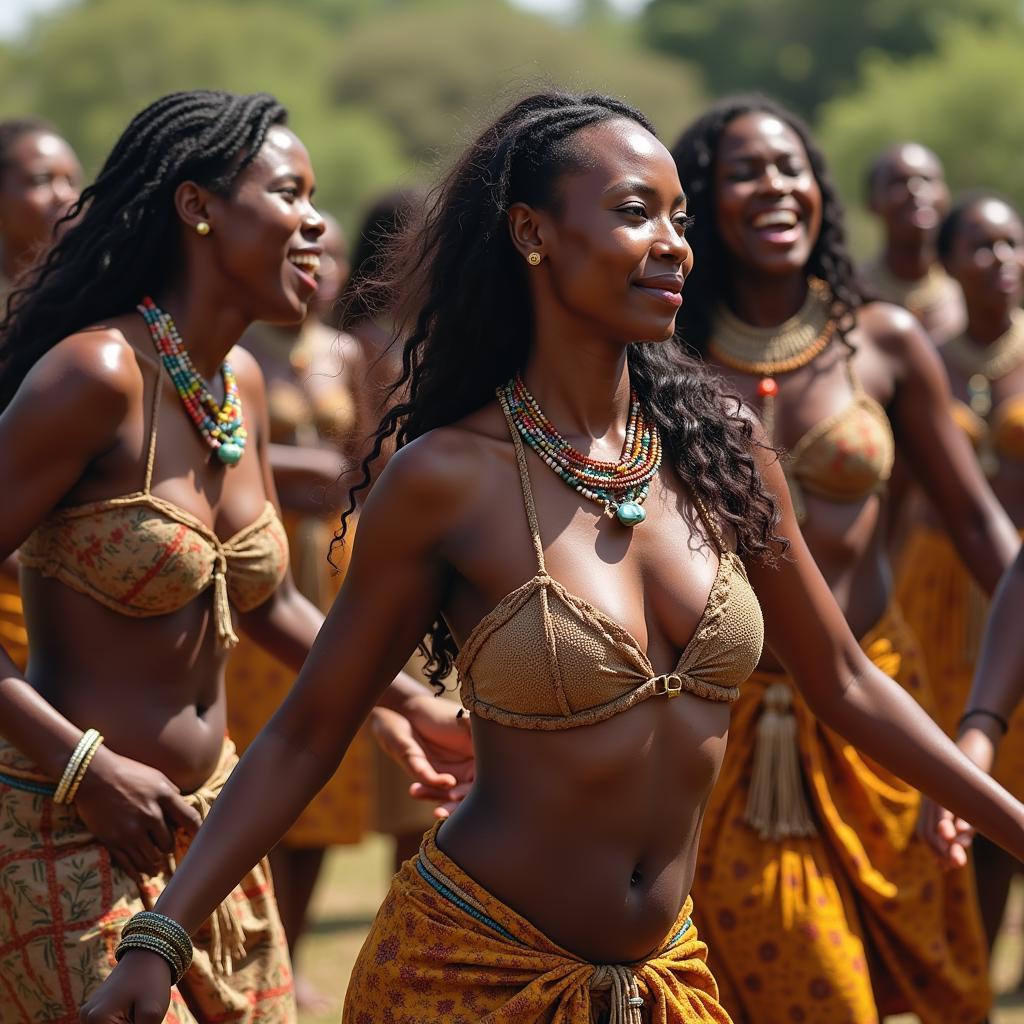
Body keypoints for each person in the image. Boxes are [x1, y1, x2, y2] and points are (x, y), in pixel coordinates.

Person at [80, 90, 1024, 1024]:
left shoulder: (719, 450)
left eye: (678, 217)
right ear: (531, 232)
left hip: (667, 981)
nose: (675, 243)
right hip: (471, 973)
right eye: (632, 212)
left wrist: (1009, 820)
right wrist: (162, 936)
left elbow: (847, 681)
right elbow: (303, 734)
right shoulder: (446, 478)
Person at [0, 89, 469, 1023]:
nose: (317, 222)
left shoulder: (236, 383)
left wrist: (409, 701)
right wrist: (81, 765)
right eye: (290, 192)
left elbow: (262, 599)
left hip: (208, 837)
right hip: (67, 833)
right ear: (198, 205)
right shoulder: (95, 377)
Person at [672, 95, 1019, 1024]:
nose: (775, 186)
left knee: (947, 990)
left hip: (882, 708)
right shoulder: (659, 358)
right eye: (744, 170)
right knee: (811, 992)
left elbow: (987, 533)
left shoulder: (885, 343)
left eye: (790, 167)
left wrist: (981, 721)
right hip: (730, 727)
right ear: (699, 200)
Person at [226, 211, 371, 1013]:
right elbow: (231, 451)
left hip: (332, 561)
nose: (323, 267)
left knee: (329, 780)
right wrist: (296, 463)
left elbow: (365, 458)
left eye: (337, 254)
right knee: (264, 750)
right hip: (263, 560)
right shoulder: (242, 352)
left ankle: (298, 944)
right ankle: (249, 938)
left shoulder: (345, 354)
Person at [904, 193, 1024, 945]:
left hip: (1017, 592)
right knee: (933, 779)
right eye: (980, 246)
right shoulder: (917, 356)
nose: (1001, 261)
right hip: (932, 595)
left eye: (1012, 244)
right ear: (947, 263)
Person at [0, 117, 82, 673]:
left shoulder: (85, 309)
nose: (64, 196)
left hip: (78, 592)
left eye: (72, 179)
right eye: (40, 179)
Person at [861, 142, 965, 344]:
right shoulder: (852, 293)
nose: (915, 190)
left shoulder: (971, 291)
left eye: (927, 180)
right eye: (898, 182)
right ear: (871, 202)